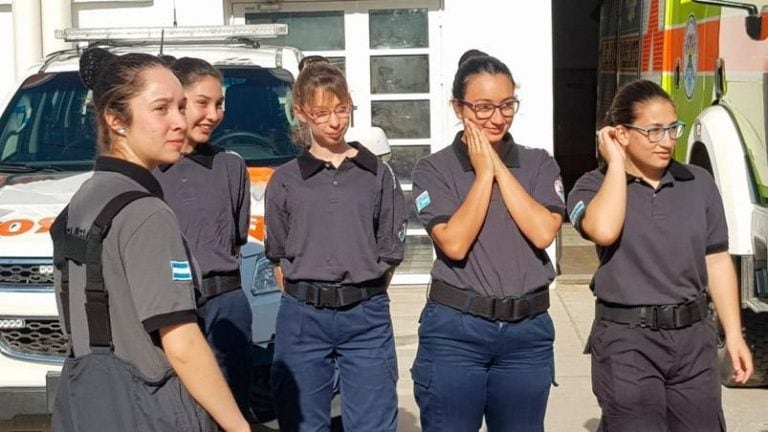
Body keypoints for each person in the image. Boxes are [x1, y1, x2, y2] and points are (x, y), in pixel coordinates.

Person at [50, 47, 249, 432]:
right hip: (149, 409)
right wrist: (238, 426)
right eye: (162, 109)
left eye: (180, 107)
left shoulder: (82, 201)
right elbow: (182, 343)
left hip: (84, 402)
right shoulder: (146, 213)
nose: (180, 121)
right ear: (115, 119)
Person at [567, 79, 753, 431]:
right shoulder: (590, 187)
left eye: (672, 128)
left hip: (693, 339)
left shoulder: (698, 183)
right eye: (653, 131)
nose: (667, 141)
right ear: (620, 133)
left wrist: (734, 334)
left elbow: (716, 259)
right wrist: (616, 164)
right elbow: (604, 229)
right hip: (627, 341)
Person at [410, 50, 564, 432]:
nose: (497, 117)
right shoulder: (434, 169)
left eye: (507, 105)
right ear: (458, 107)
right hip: (456, 333)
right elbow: (455, 243)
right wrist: (482, 176)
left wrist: (496, 167)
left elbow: (543, 231)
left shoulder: (538, 162)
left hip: (526, 335)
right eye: (482, 107)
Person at [264, 57, 407, 432]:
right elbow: (278, 257)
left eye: (341, 109)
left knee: (373, 423)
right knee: (302, 423)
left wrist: (358, 290)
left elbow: (389, 251)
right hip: (302, 318)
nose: (334, 120)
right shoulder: (285, 180)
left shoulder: (376, 174)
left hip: (366, 317)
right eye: (322, 112)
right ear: (301, 113)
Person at [154, 57, 254, 421]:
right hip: (172, 308)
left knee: (230, 410)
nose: (213, 114)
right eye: (202, 103)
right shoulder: (147, 171)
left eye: (220, 104)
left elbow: (235, 236)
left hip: (227, 306)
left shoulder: (231, 166)